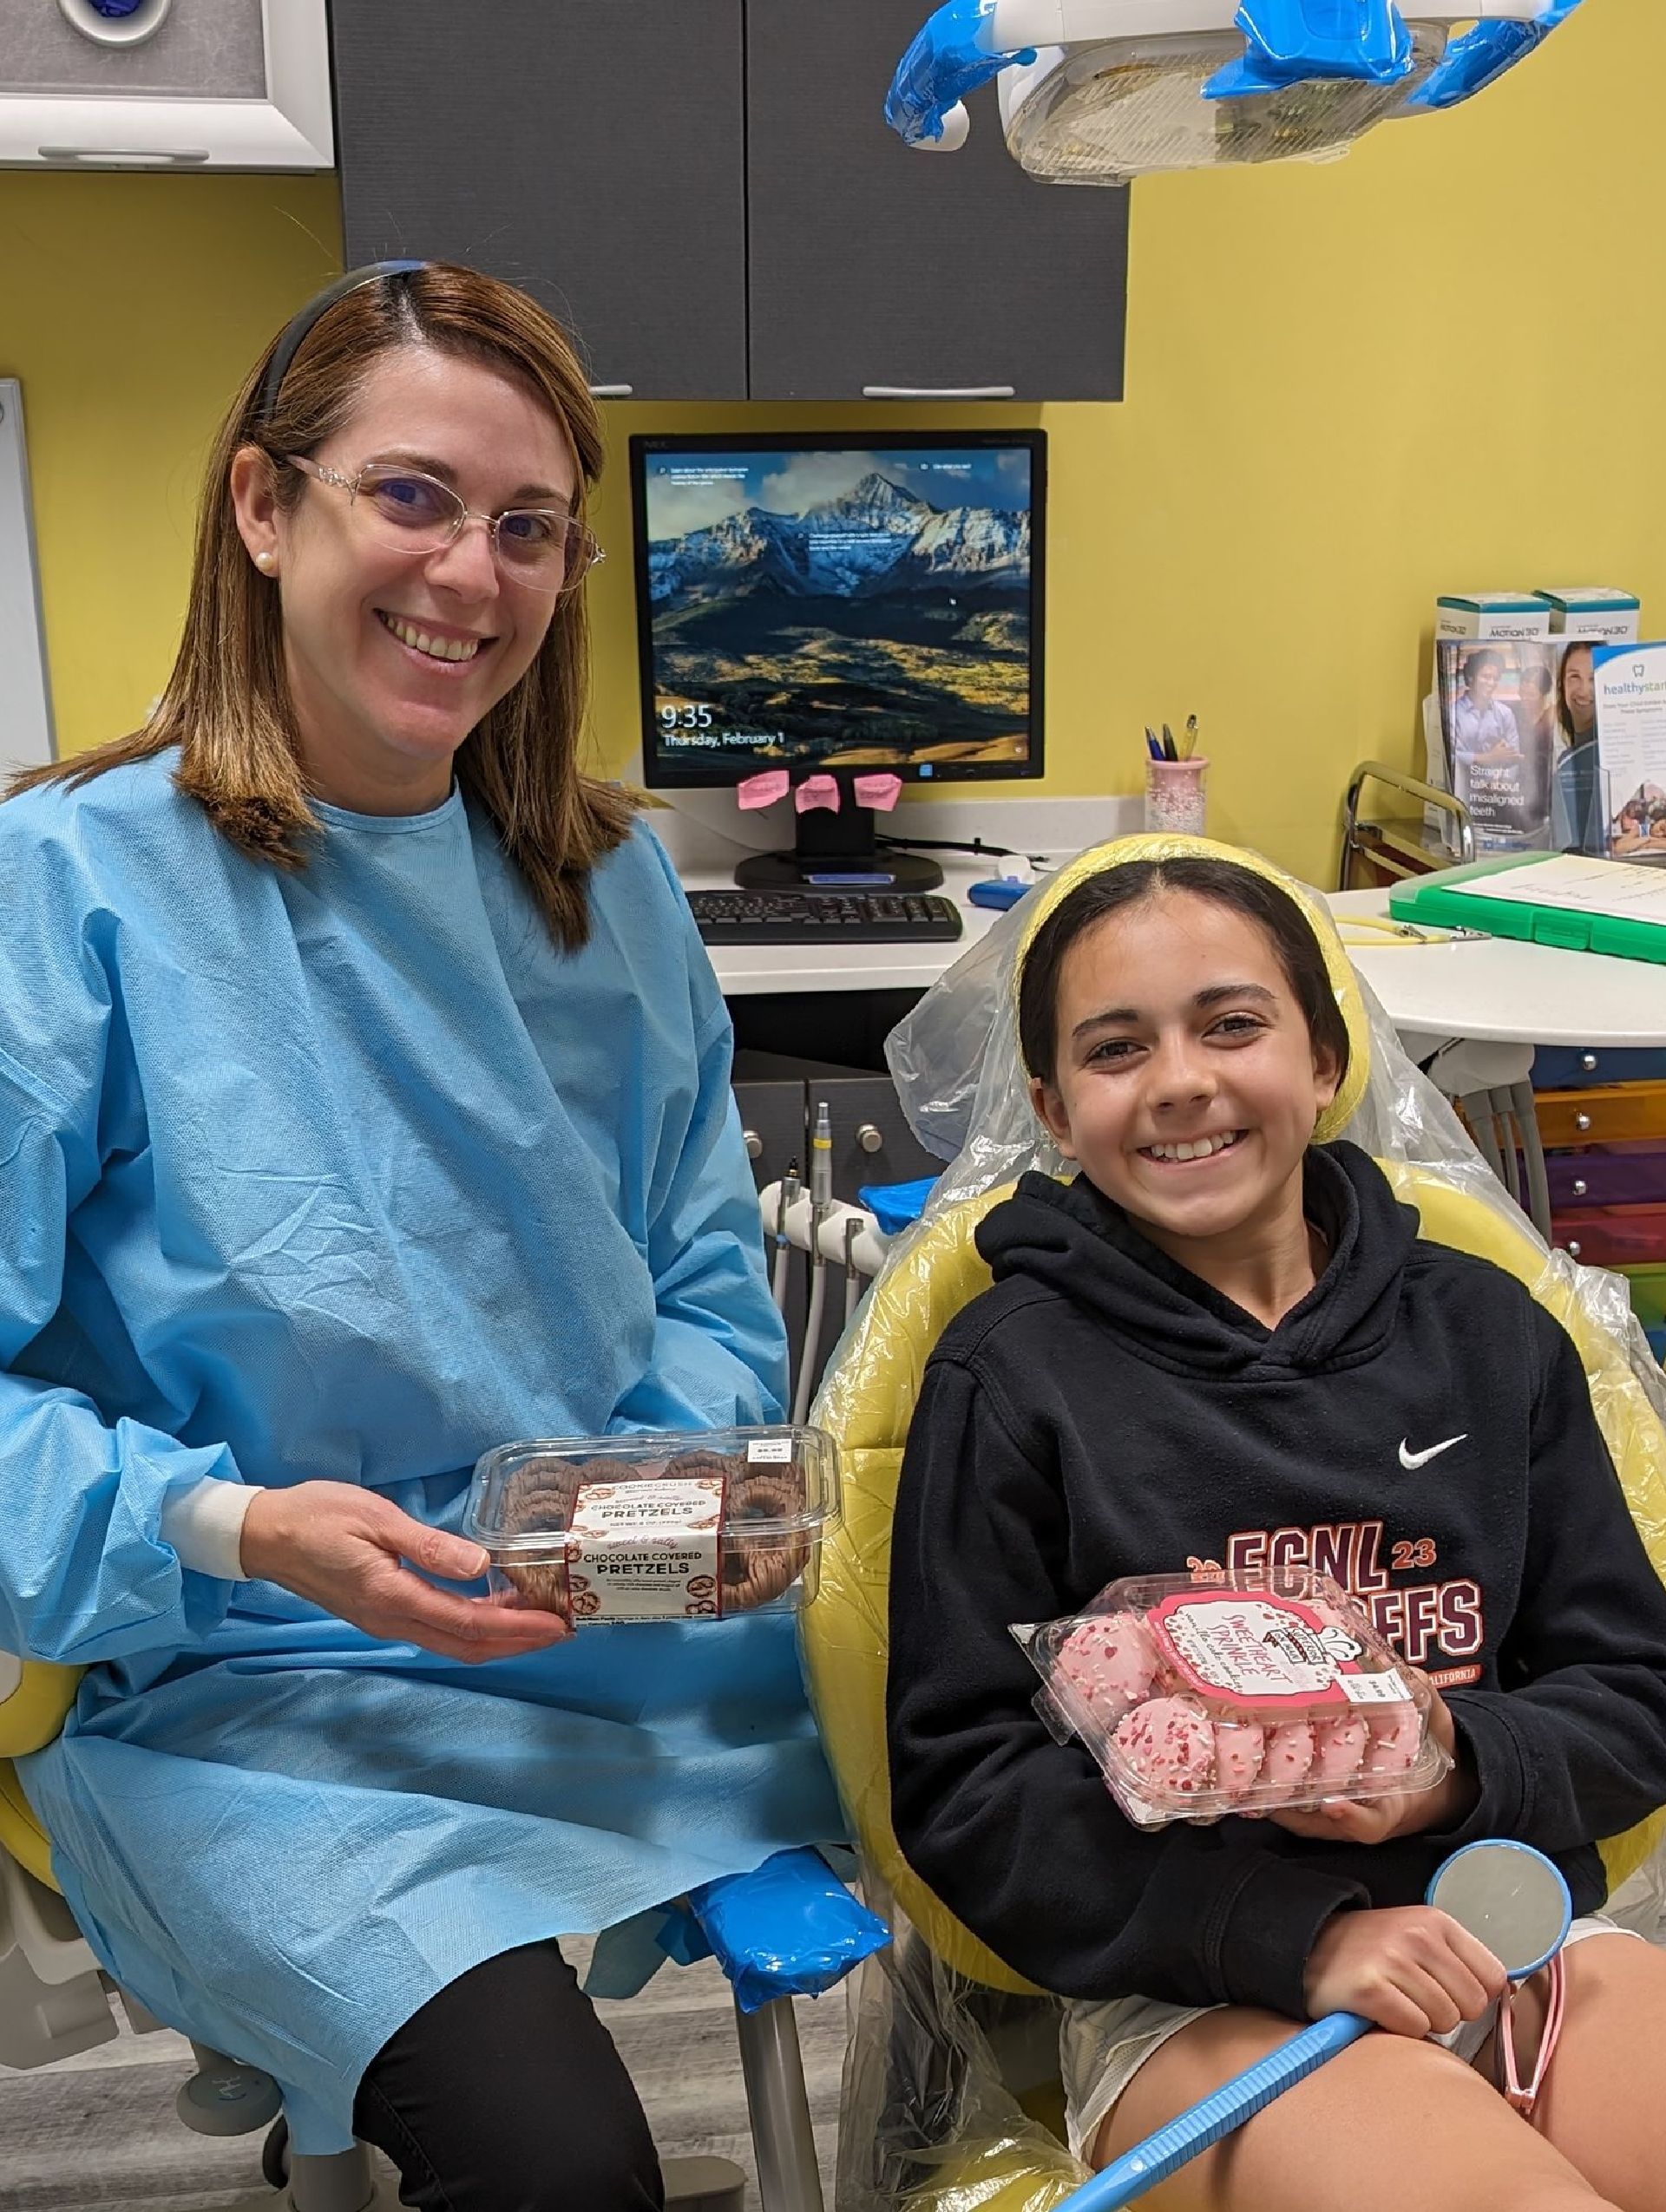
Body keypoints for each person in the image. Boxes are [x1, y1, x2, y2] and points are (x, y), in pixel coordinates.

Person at [0, 262, 842, 2211]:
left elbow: (709, 1272)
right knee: (561, 2167)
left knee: (1064, 1855)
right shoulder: (67, 895)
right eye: (411, 497)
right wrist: (236, 1526)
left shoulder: (610, 887)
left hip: (621, 1646)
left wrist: (646, 1508)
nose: (472, 575)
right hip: (248, 1685)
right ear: (262, 506)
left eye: (529, 527)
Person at [886, 845, 1666, 2212]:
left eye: (1232, 1023)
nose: (1182, 1077)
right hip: (1195, 1991)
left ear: (1324, 1059)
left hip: (1518, 1924)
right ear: (1054, 1111)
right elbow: (966, 1794)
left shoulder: (1487, 1333)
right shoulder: (1011, 1375)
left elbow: (1637, 1691)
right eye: (1118, 1047)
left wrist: (1448, 1769)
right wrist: (1293, 1937)